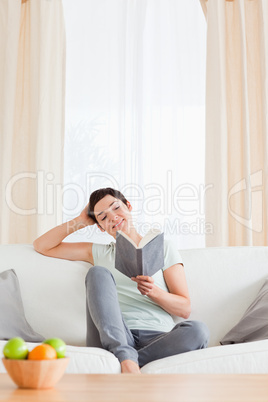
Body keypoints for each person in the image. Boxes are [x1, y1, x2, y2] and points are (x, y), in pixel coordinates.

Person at [33, 187, 209, 374]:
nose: (112, 217)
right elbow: (42, 246)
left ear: (128, 206)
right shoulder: (99, 252)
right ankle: (124, 354)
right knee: (97, 272)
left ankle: (126, 361)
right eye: (103, 217)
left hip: (158, 338)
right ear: (100, 227)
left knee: (198, 331)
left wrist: (153, 292)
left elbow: (184, 309)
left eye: (116, 208)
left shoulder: (163, 248)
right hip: (113, 335)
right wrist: (80, 221)